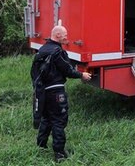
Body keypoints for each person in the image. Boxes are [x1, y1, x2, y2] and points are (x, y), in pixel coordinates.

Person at [32, 25, 91, 162]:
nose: (67, 37)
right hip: (56, 92)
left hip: (42, 92)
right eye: (65, 34)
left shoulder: (42, 50)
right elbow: (68, 70)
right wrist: (82, 75)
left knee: (46, 118)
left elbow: (33, 74)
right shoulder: (58, 52)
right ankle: (59, 154)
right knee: (58, 121)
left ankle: (41, 145)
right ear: (58, 35)